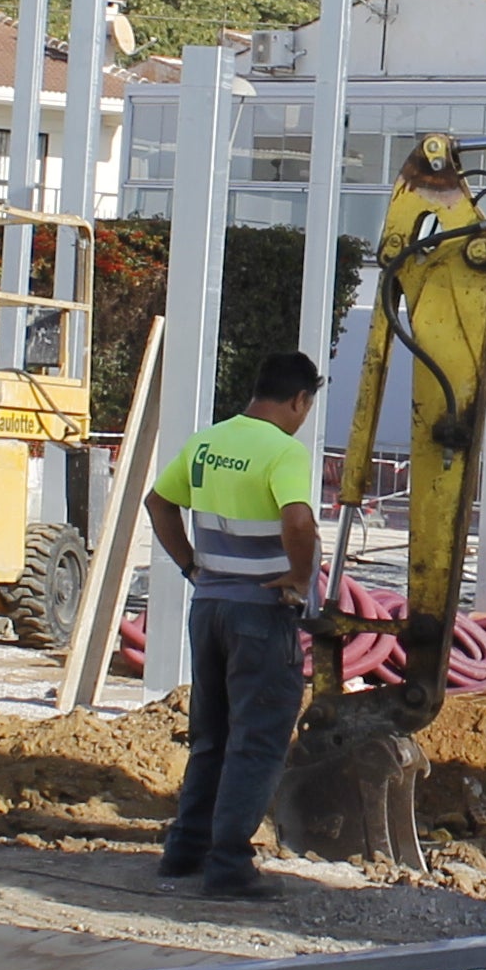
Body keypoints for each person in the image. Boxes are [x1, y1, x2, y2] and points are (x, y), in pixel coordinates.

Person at [147, 348, 326, 900]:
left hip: (210, 609)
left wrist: (191, 566)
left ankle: (186, 849)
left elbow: (158, 504)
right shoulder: (284, 452)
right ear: (299, 399)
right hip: (261, 614)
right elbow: (298, 519)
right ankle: (228, 863)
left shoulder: (207, 443)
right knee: (258, 740)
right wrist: (300, 577)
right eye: (307, 406)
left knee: (212, 736)